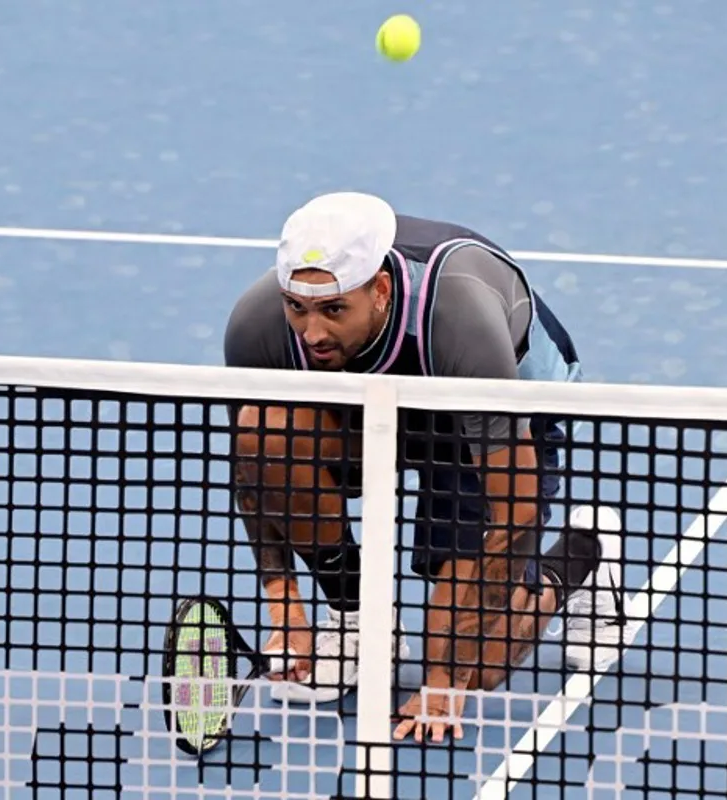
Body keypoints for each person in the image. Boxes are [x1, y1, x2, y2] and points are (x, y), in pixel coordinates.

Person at [222, 191, 629, 743]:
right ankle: (359, 616)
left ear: (382, 290)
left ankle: (585, 555)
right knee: (267, 432)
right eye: (298, 307)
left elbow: (516, 510)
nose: (312, 332)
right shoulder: (259, 327)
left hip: (491, 418)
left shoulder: (458, 320)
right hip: (373, 404)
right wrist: (284, 604)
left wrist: (445, 677)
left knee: (481, 666)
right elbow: (253, 469)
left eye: (334, 309)